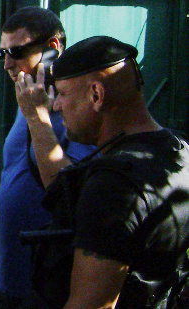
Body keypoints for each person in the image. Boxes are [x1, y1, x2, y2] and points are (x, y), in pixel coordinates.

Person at [17, 35, 189, 308]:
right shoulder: (178, 153)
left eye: (62, 94)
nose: (57, 106)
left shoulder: (114, 187)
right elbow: (66, 190)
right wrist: (37, 119)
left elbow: (92, 304)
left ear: (96, 95)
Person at [0, 6, 94, 309]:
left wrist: (38, 117)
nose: (8, 63)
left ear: (52, 49)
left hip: (44, 281)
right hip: (7, 271)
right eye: (2, 53)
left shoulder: (73, 108)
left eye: (17, 52)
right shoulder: (29, 97)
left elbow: (71, 190)